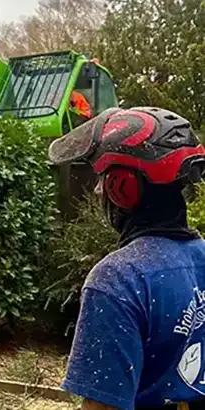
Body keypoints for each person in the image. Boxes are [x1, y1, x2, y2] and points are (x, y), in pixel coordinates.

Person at [48, 106, 205, 410]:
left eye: (101, 180)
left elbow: (104, 406)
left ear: (120, 188)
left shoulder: (119, 279)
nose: (98, 191)